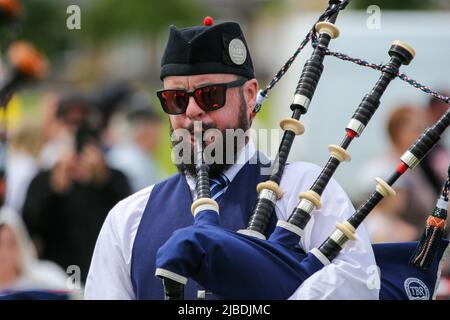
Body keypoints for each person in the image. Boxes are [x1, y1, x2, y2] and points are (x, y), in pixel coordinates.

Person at [85, 19, 377, 299]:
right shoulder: (128, 218)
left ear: (250, 96)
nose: (192, 112)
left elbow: (360, 282)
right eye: (176, 98)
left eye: (209, 95)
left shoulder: (304, 188)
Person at [22, 92, 131, 283]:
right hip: (57, 280)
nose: (76, 132)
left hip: (104, 279)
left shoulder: (114, 177)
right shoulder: (42, 180)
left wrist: (103, 181)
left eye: (82, 123)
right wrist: (55, 190)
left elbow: (130, 225)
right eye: (69, 123)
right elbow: (28, 230)